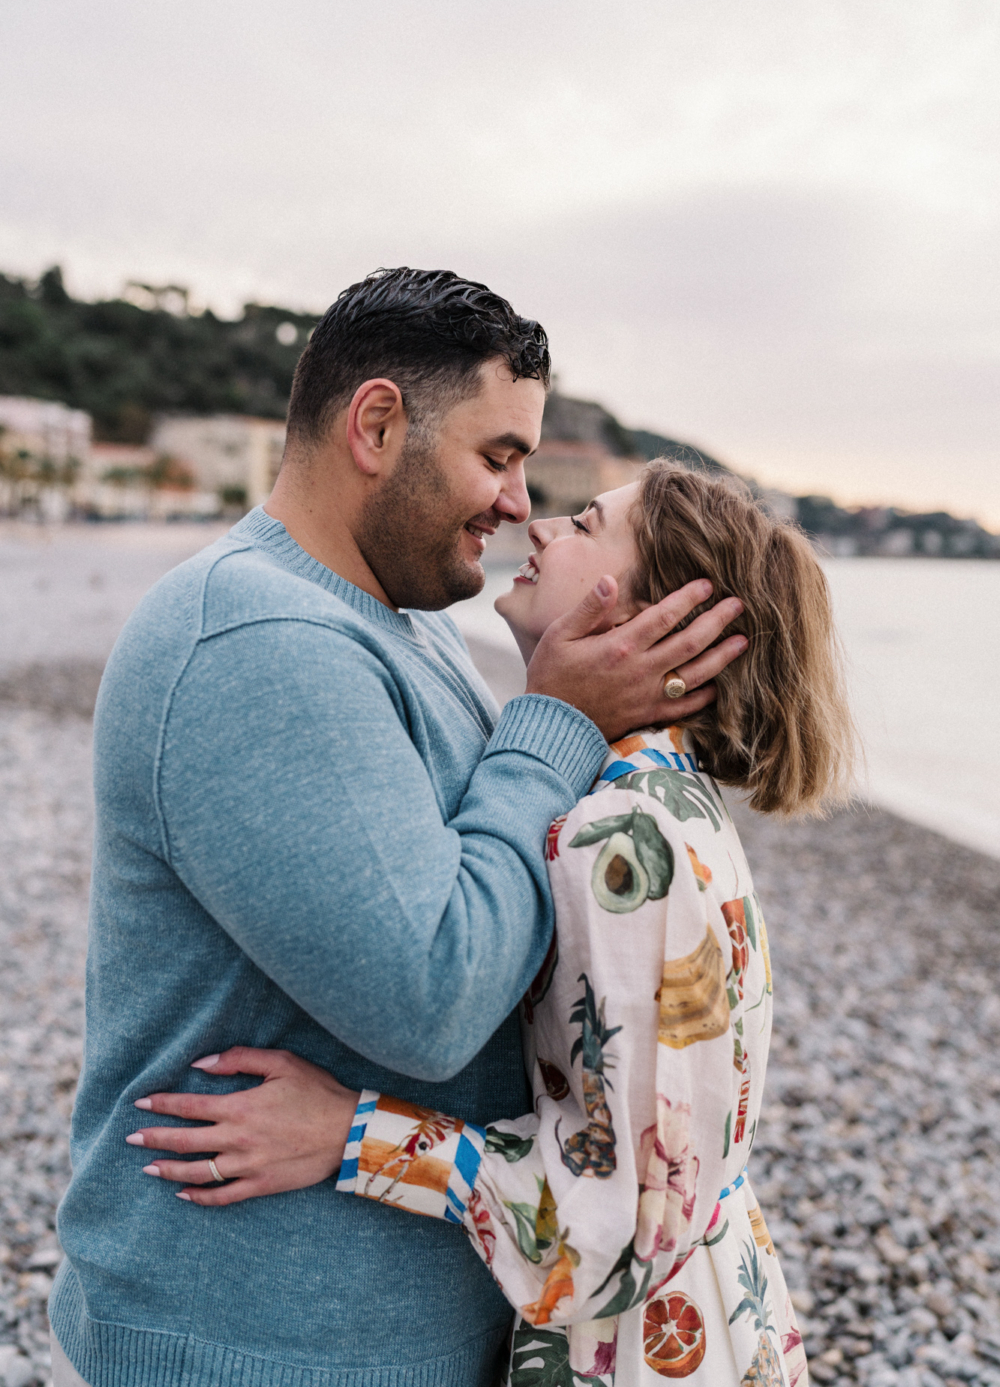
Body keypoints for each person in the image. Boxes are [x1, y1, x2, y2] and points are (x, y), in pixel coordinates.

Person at [50, 269, 746, 1387]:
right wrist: (557, 719)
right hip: (251, 1347)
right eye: (498, 456)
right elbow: (433, 996)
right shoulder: (257, 641)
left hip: (360, 1337)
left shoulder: (393, 623)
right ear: (376, 424)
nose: (518, 503)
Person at [130, 462, 855, 1384]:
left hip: (645, 1352)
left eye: (588, 523)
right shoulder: (667, 803)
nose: (541, 525)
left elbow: (617, 1236)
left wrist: (351, 1133)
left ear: (656, 616)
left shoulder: (620, 841)